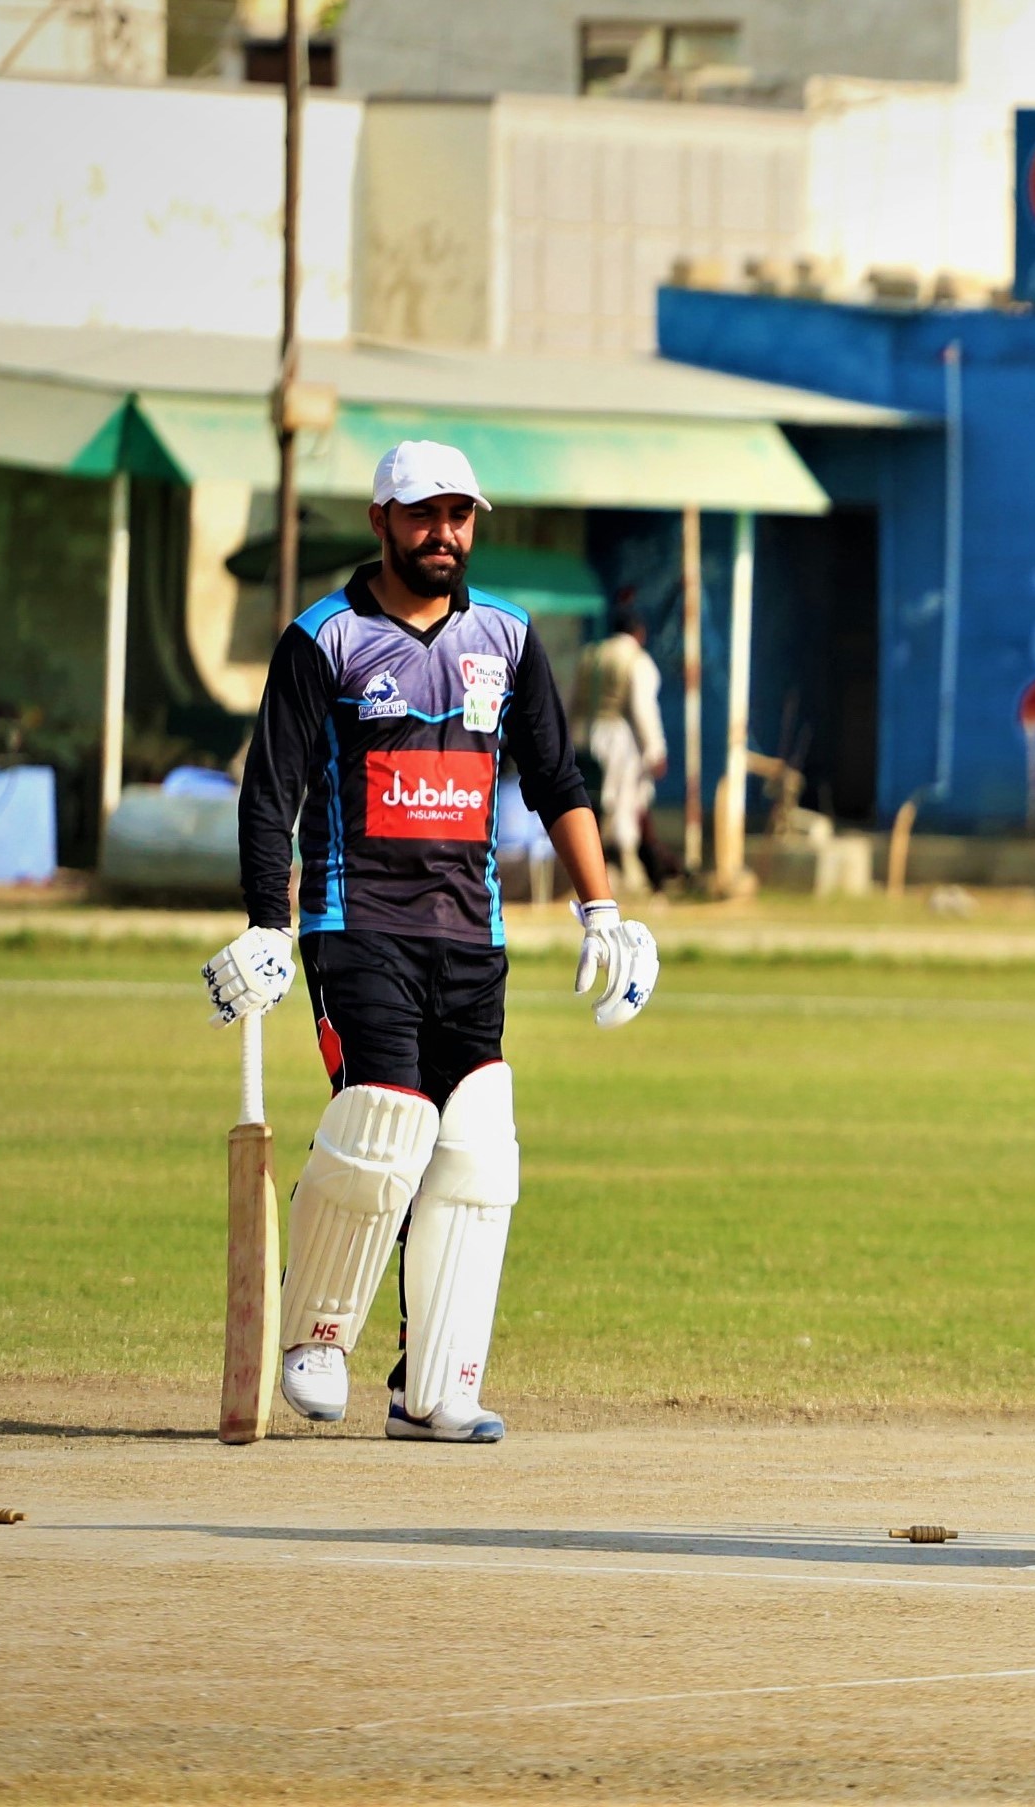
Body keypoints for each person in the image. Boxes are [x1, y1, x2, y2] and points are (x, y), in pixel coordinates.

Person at [201, 440, 659, 1444]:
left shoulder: (507, 636)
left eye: (458, 515)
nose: (442, 533)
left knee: (475, 1146)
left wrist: (603, 910)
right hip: (355, 923)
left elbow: (557, 779)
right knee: (387, 1117)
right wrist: (269, 923)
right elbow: (270, 792)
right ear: (381, 520)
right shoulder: (323, 638)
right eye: (421, 514)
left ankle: (433, 1383)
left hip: (470, 936)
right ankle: (317, 1332)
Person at [574, 609, 670, 892]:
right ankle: (620, 869)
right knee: (621, 802)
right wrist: (655, 750)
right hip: (617, 740)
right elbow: (643, 708)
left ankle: (593, 866)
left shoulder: (590, 655)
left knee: (589, 800)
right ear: (639, 633)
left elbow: (570, 698)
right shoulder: (637, 660)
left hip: (583, 735)